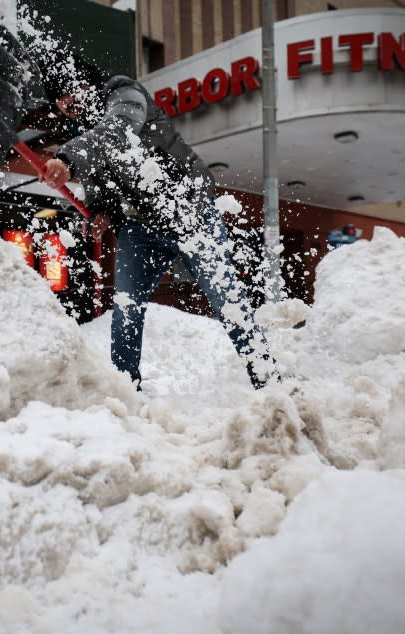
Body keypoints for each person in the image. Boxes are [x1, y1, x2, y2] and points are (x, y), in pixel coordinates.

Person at [38, 59, 277, 389]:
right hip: (142, 228)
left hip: (190, 213)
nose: (66, 104)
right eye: (59, 101)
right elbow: (100, 178)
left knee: (227, 300)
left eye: (69, 92)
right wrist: (101, 211)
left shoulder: (126, 96)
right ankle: (126, 390)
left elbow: (117, 133)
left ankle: (269, 381)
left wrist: (67, 160)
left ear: (88, 83)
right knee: (126, 308)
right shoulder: (86, 130)